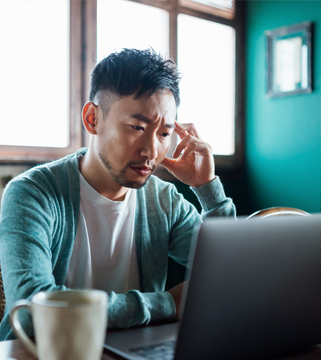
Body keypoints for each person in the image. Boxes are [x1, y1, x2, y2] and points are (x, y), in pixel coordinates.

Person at [0, 48, 236, 340]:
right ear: (92, 119)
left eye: (164, 134)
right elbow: (31, 312)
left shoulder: (164, 201)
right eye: (137, 127)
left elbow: (233, 275)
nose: (151, 151)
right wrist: (168, 303)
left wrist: (207, 188)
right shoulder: (32, 194)